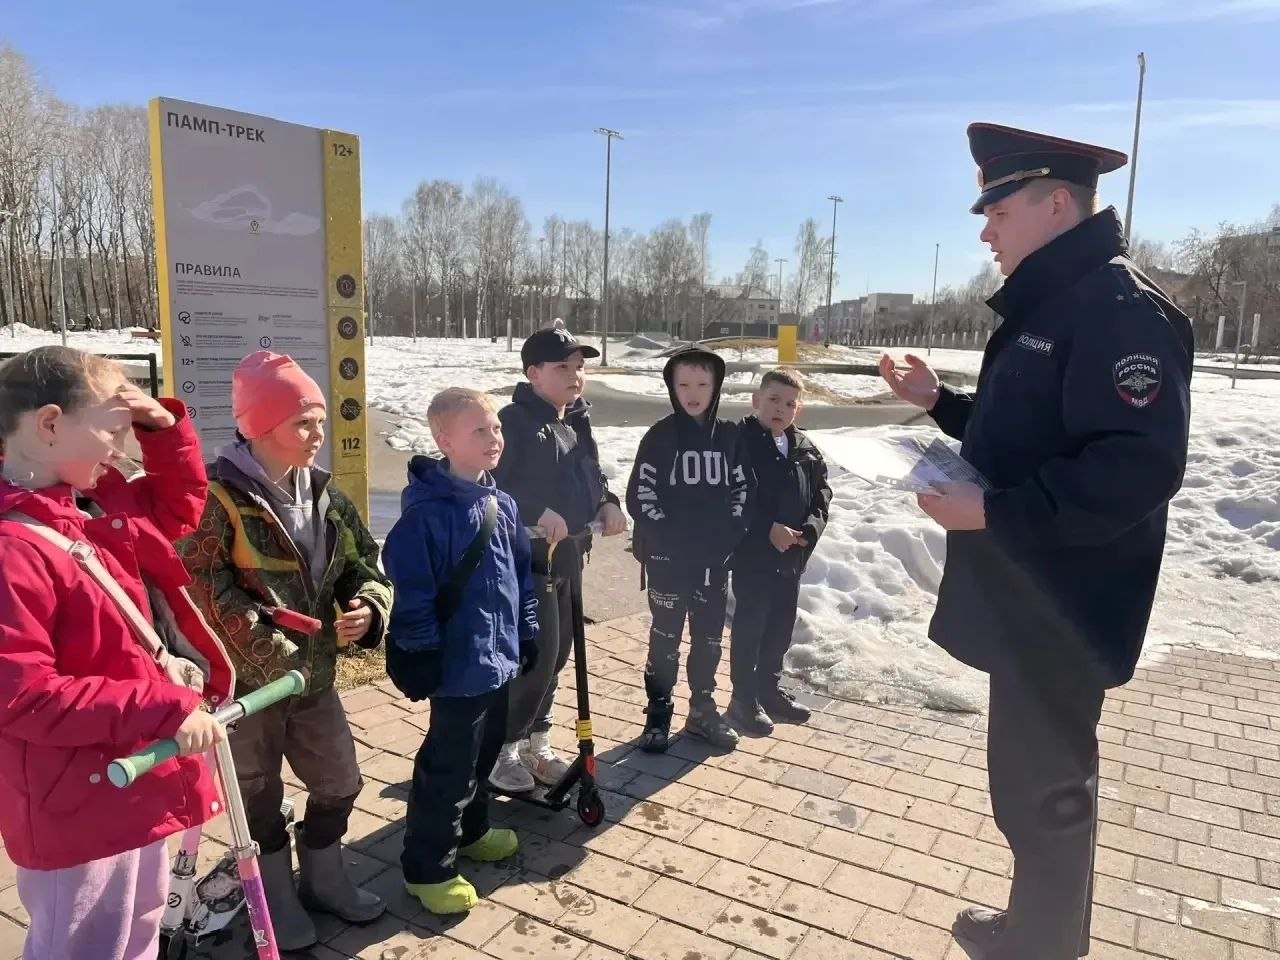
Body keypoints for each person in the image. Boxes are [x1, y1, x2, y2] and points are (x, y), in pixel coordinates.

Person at [879, 122, 1193, 960]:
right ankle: (1041, 930)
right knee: (1030, 788)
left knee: (1045, 789)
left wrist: (997, 516)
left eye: (998, 208)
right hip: (1034, 598)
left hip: (1067, 605)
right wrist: (940, 401)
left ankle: (1045, 946)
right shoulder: (1058, 298)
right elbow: (1028, 434)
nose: (984, 229)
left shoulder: (1117, 308)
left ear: (1057, 203)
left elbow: (1136, 466)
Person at [0, 346, 233, 960]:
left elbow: (176, 508)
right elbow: (21, 694)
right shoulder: (14, 548)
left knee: (136, 931)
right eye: (112, 428)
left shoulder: (88, 502)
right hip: (77, 797)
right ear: (49, 424)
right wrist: (162, 708)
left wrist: (164, 429)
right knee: (83, 943)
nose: (120, 449)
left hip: (131, 772)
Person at [178, 350, 393, 951]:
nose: (317, 434)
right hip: (246, 692)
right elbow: (199, 586)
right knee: (256, 795)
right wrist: (265, 645)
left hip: (314, 681)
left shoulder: (328, 497)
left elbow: (364, 565)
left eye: (319, 420)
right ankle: (273, 892)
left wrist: (369, 609)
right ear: (257, 427)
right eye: (302, 422)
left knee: (340, 781)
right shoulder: (215, 501)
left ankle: (325, 879)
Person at [383, 388, 539, 915]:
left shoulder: (504, 503)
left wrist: (528, 629)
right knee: (448, 767)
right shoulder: (428, 515)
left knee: (487, 752)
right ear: (444, 439)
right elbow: (414, 590)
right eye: (480, 430)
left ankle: (472, 831)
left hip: (499, 658)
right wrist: (421, 649)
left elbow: (520, 578)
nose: (494, 437)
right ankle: (427, 868)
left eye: (496, 428)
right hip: (456, 666)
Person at [488, 327, 627, 791]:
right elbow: (491, 487)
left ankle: (536, 742)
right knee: (533, 655)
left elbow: (592, 475)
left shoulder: (577, 420)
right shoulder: (514, 421)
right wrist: (533, 511)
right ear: (534, 373)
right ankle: (501, 750)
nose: (575, 376)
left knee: (560, 651)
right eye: (562, 367)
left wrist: (608, 501)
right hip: (527, 563)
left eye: (580, 367)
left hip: (568, 556)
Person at [625, 344, 754, 753]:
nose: (693, 392)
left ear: (716, 387)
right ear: (671, 387)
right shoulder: (660, 437)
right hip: (667, 560)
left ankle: (702, 710)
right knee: (665, 637)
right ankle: (657, 715)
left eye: (702, 383)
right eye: (683, 383)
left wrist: (727, 536)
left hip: (713, 561)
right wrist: (670, 537)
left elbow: (743, 491)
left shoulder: (730, 437)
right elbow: (640, 495)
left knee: (708, 638)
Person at [728, 368, 830, 734]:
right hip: (754, 553)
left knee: (780, 625)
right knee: (751, 624)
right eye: (773, 399)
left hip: (791, 556)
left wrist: (811, 530)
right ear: (756, 401)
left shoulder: (803, 447)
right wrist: (766, 528)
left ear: (797, 411)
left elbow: (822, 493)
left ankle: (768, 689)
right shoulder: (739, 442)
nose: (780, 409)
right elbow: (733, 494)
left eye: (789, 404)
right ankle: (742, 699)